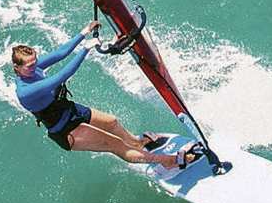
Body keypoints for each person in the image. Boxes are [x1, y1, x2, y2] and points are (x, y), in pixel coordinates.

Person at [12, 20, 197, 169]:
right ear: (17, 68)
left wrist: (84, 32)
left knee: (112, 122)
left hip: (69, 110)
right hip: (63, 128)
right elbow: (62, 75)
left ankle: (138, 143)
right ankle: (167, 162)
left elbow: (60, 53)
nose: (35, 66)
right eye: (29, 65)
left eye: (35, 61)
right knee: (115, 144)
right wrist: (86, 49)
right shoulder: (26, 91)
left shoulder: (33, 68)